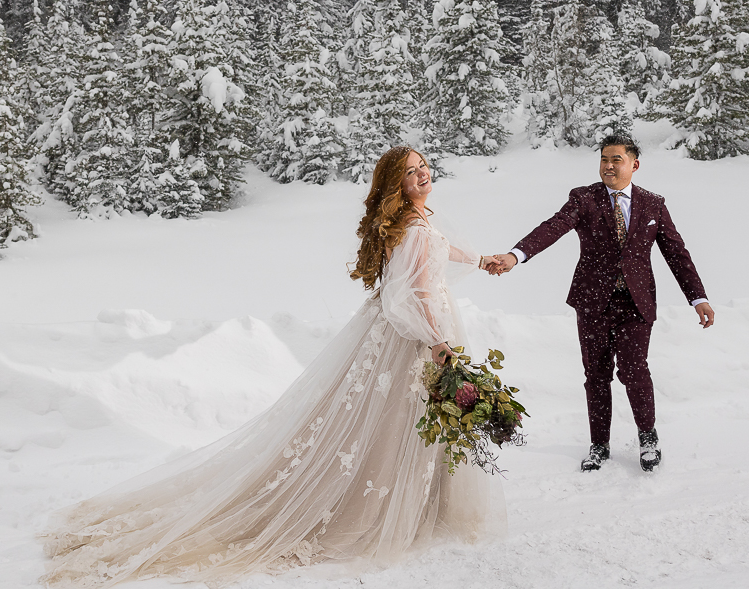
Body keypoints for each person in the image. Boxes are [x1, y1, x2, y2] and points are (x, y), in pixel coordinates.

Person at [42, 146, 503, 587]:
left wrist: (480, 259)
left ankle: (411, 501)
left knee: (391, 420)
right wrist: (438, 342)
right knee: (398, 420)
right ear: (395, 185)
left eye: (424, 166)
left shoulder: (417, 220)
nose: (422, 174)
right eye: (410, 171)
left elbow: (439, 250)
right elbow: (414, 294)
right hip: (417, 332)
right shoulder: (416, 227)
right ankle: (383, 509)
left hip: (401, 328)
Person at [482, 134, 712, 473]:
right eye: (604, 159)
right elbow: (553, 227)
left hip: (636, 304)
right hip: (593, 302)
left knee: (635, 370)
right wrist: (516, 255)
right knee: (596, 375)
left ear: (634, 164)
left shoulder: (653, 204)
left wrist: (698, 297)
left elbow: (676, 253)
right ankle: (599, 444)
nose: (608, 165)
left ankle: (648, 438)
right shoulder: (584, 198)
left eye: (616, 159)